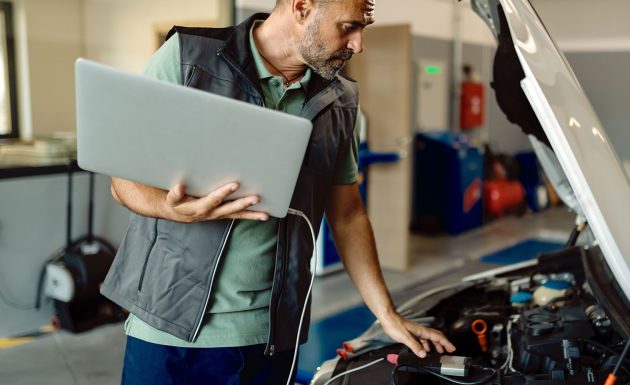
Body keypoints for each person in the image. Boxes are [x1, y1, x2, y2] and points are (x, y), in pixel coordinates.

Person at [101, 0, 455, 384]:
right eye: (348, 27)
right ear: (302, 7)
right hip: (170, 327)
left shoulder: (340, 100)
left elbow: (348, 214)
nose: (358, 44)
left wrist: (387, 315)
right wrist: (175, 210)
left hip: (273, 336)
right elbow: (123, 181)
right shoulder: (188, 57)